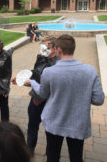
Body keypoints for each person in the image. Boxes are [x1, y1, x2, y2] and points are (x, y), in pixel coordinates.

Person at [25, 34, 105, 162]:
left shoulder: (50, 72)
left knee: (52, 156)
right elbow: (99, 99)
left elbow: (42, 94)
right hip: (78, 124)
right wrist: (81, 94)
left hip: (54, 122)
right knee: (76, 157)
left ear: (59, 50)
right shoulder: (90, 71)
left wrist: (32, 82)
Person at [20, 36, 57, 154]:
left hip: (50, 103)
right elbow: (36, 74)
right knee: (32, 127)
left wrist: (41, 97)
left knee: (50, 131)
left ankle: (51, 155)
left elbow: (55, 86)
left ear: (55, 48)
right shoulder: (41, 57)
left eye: (48, 45)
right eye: (43, 45)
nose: (44, 48)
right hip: (35, 101)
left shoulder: (59, 63)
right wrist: (22, 79)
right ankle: (29, 150)